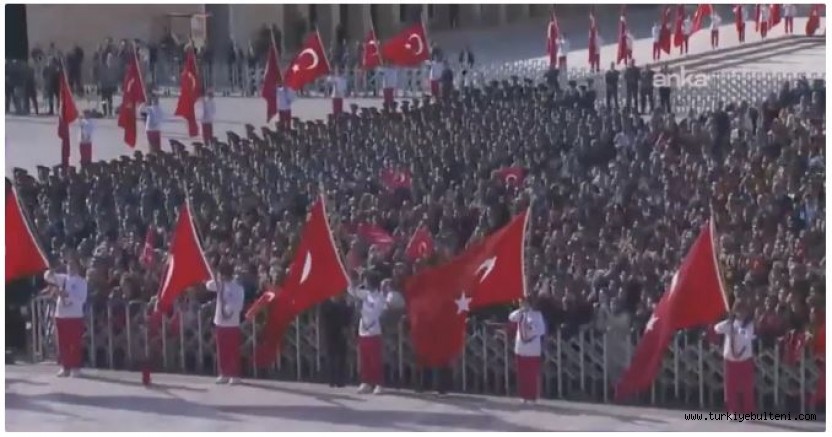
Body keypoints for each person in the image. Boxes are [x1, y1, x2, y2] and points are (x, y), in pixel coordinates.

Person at [44, 258, 88, 377]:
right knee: (62, 343)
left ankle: (75, 367)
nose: (71, 267)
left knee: (74, 343)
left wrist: (68, 295)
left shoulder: (82, 282)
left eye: (73, 265)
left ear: (78, 268)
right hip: (61, 314)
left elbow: (82, 299)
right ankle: (65, 366)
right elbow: (48, 277)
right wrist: (50, 271)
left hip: (75, 316)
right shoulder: (63, 278)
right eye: (69, 265)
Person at [348, 270, 387, 395]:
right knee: (364, 359)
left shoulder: (379, 297)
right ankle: (366, 382)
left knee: (375, 360)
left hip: (374, 332)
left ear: (371, 282)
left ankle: (379, 383)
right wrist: (353, 281)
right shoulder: (365, 294)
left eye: (365, 280)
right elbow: (352, 291)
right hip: (363, 332)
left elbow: (376, 313)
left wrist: (362, 308)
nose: (364, 283)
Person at [205, 263, 245, 385]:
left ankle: (235, 374)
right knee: (221, 349)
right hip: (220, 322)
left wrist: (229, 308)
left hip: (232, 323)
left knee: (232, 349)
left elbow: (239, 305)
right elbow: (208, 285)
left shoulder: (237, 288)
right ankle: (224, 373)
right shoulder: (219, 285)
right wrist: (214, 276)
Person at [714, 302, 756, 414]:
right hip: (730, 359)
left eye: (743, 310)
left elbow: (748, 336)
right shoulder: (730, 324)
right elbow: (716, 328)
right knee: (730, 387)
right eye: (738, 310)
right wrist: (727, 323)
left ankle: (748, 412)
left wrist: (737, 329)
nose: (741, 313)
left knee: (747, 387)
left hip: (745, 359)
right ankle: (733, 411)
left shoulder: (749, 324)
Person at [509, 296, 546, 403]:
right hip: (521, 348)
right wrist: (521, 311)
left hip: (533, 349)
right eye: (520, 303)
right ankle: (523, 395)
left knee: (531, 375)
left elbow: (541, 330)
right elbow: (511, 317)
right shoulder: (520, 314)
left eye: (523, 302)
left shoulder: (537, 315)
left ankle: (533, 396)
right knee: (522, 374)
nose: (522, 304)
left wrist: (531, 329)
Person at [320, 294, 353, 387]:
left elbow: (348, 317)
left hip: (342, 332)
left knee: (342, 357)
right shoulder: (326, 303)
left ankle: (340, 380)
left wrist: (349, 307)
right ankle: (332, 379)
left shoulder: (343, 303)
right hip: (330, 332)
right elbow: (325, 315)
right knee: (331, 357)